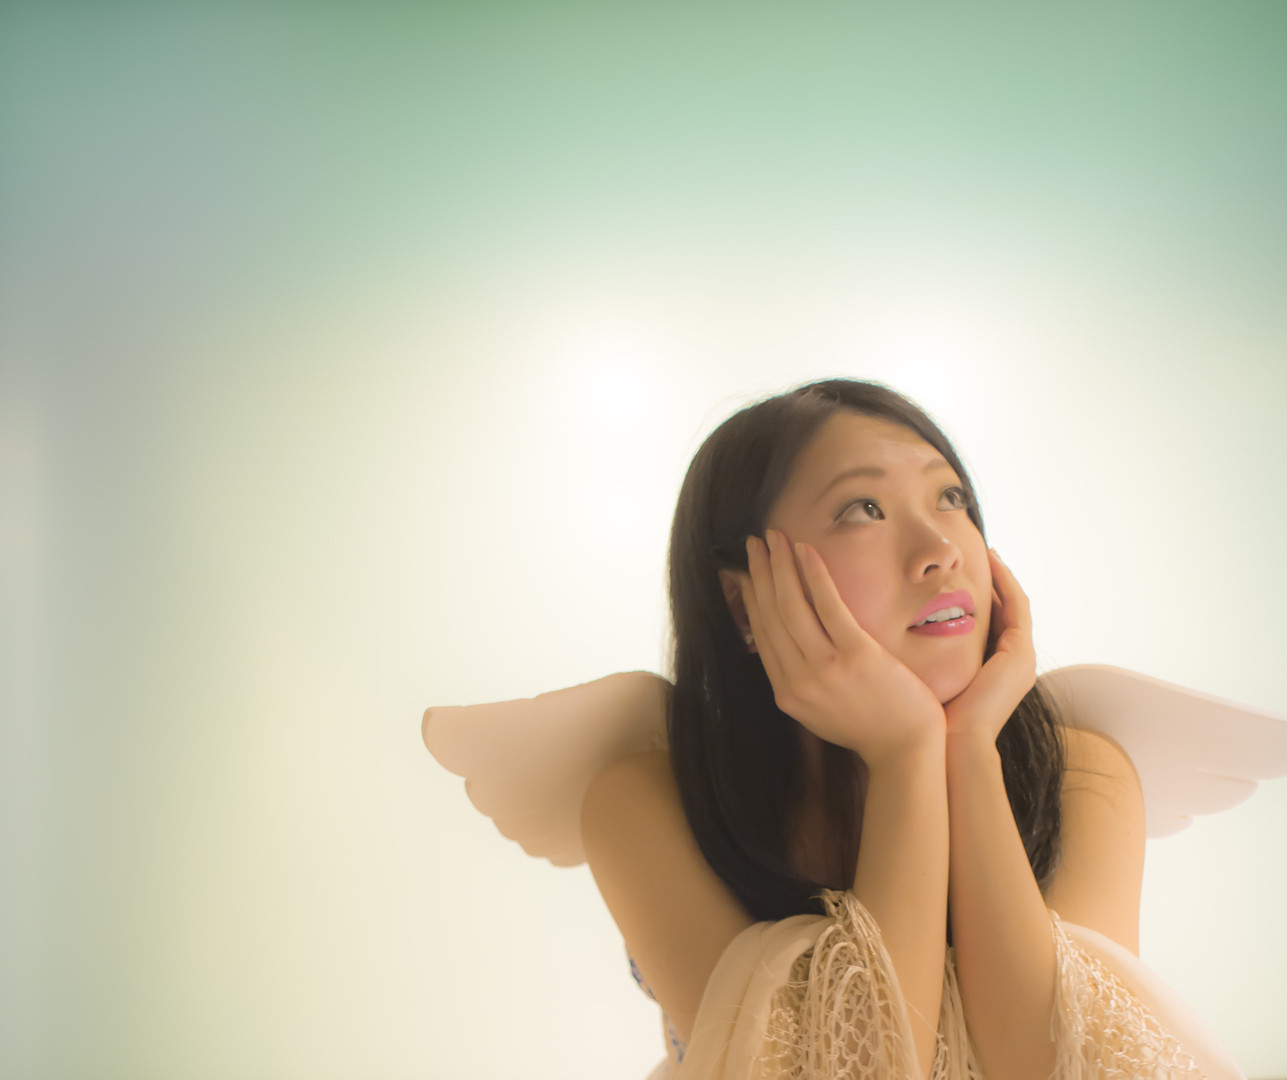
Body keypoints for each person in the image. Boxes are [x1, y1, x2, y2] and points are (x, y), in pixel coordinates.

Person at [572, 378, 1243, 1079]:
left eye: (950, 497)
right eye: (862, 509)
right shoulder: (646, 802)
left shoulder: (1084, 774)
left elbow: (1058, 1066)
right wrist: (903, 756)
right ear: (744, 603)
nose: (940, 549)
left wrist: (967, 749)